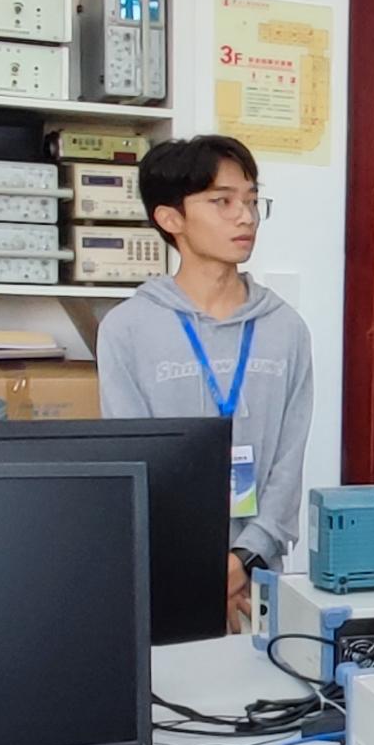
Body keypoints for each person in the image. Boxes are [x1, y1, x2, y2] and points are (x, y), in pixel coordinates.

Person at [96, 134, 318, 633]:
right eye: (223, 201)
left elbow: (289, 463)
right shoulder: (127, 329)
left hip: (259, 577)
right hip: (167, 572)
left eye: (252, 200)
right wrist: (200, 571)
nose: (246, 217)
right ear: (170, 219)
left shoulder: (286, 328)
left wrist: (243, 560)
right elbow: (136, 463)